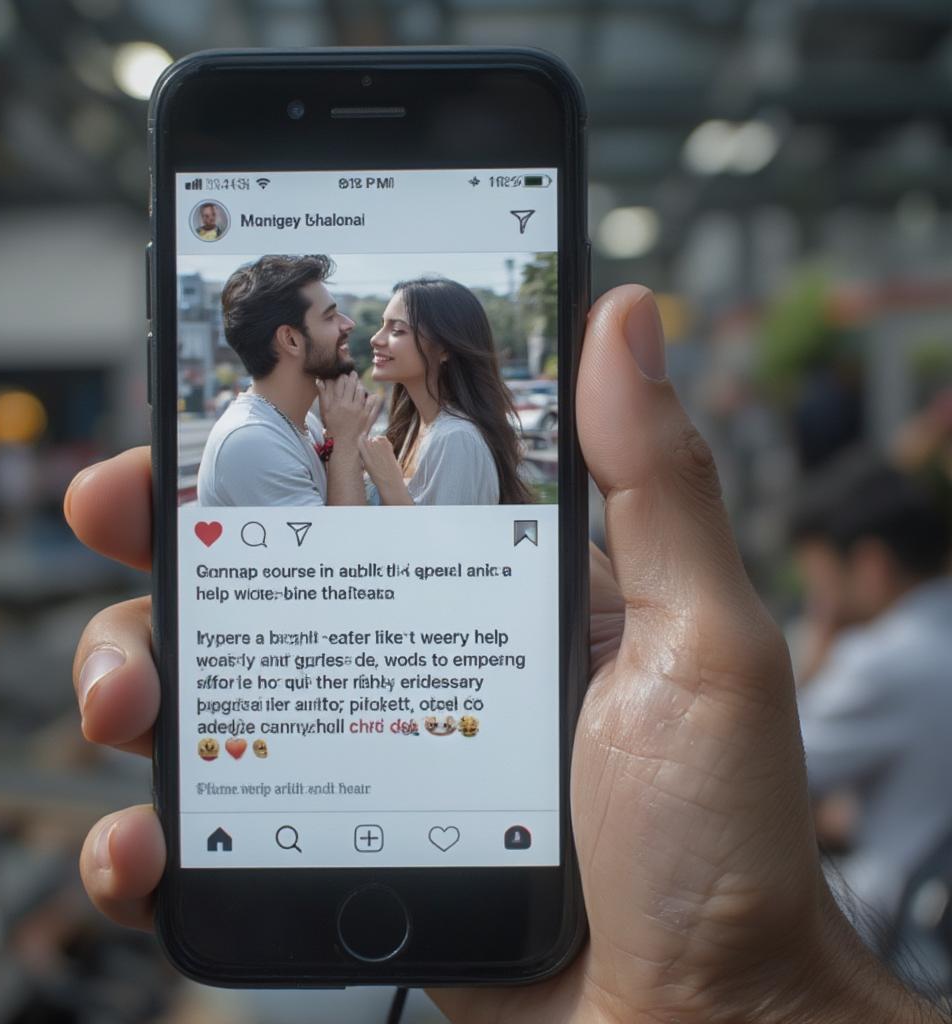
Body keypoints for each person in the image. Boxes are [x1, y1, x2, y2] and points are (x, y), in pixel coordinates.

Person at [66, 286, 941, 1022]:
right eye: (356, 316)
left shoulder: (447, 442)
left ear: (442, 347)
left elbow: (424, 573)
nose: (370, 331)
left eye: (395, 324)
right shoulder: (406, 435)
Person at [791, 452, 952, 930]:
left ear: (870, 565)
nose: (817, 602)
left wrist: (818, 647)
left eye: (819, 583)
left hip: (900, 929)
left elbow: (766, 770)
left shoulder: (883, 660)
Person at [196, 254, 379, 507]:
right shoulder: (252, 441)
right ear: (291, 340)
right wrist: (345, 442)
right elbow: (337, 545)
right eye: (329, 317)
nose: (348, 324)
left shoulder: (307, 424)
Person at [358, 277, 532, 505]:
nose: (376, 339)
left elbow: (446, 540)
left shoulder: (455, 437)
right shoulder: (414, 428)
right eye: (382, 325)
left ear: (445, 348)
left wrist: (389, 481)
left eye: (398, 330)